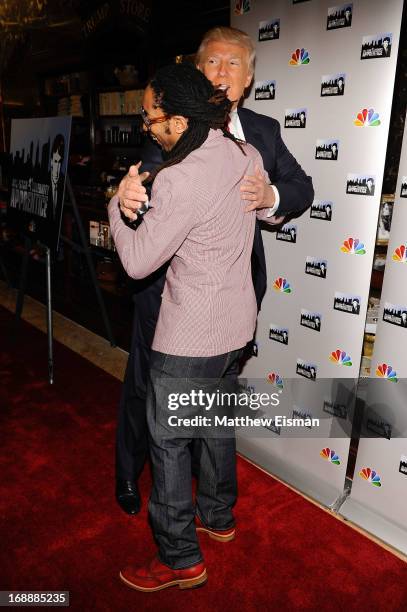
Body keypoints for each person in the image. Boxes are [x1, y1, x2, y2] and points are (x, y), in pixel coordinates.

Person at [115, 26, 314, 515]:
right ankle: (128, 476)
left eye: (233, 65)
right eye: (212, 63)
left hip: (228, 301)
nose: (222, 73)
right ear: (196, 74)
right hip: (165, 292)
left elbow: (301, 189)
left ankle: (200, 515)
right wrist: (126, 200)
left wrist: (271, 197)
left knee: (198, 418)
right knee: (146, 393)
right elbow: (146, 193)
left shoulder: (260, 135)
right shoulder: (166, 129)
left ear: (247, 79)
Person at [109, 62, 279, 591]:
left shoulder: (180, 177)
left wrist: (118, 203)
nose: (147, 127)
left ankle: (179, 557)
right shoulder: (244, 154)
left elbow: (137, 263)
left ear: (178, 121)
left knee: (168, 442)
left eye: (150, 117)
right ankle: (219, 516)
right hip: (237, 326)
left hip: (190, 336)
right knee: (214, 422)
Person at [48, 134, 65, 219]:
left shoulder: (63, 181)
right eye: (56, 151)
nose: (58, 156)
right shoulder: (45, 178)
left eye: (61, 152)